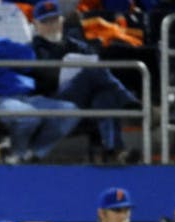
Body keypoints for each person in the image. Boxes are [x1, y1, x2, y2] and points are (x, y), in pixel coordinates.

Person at [0, 0, 78, 164]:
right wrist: (3, 58)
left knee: (70, 111)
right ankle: (18, 154)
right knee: (28, 116)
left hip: (23, 96)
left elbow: (28, 57)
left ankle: (31, 154)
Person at [30, 0, 141, 164]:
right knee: (91, 72)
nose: (51, 25)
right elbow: (40, 81)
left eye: (54, 20)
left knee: (104, 97)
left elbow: (95, 64)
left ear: (62, 21)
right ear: (36, 25)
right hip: (54, 102)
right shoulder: (31, 49)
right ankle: (128, 100)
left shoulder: (77, 45)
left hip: (84, 102)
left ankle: (114, 151)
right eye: (46, 21)